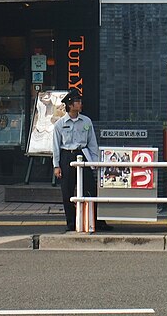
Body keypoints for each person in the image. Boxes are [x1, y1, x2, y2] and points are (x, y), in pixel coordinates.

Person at [51, 90, 113, 232]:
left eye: (80, 101)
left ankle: (97, 221)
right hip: (67, 156)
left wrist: (95, 161)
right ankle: (71, 223)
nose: (80, 104)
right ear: (69, 105)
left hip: (83, 154)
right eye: (77, 101)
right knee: (67, 191)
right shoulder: (60, 124)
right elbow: (55, 146)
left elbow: (92, 143)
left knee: (90, 189)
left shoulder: (86, 121)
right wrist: (56, 165)